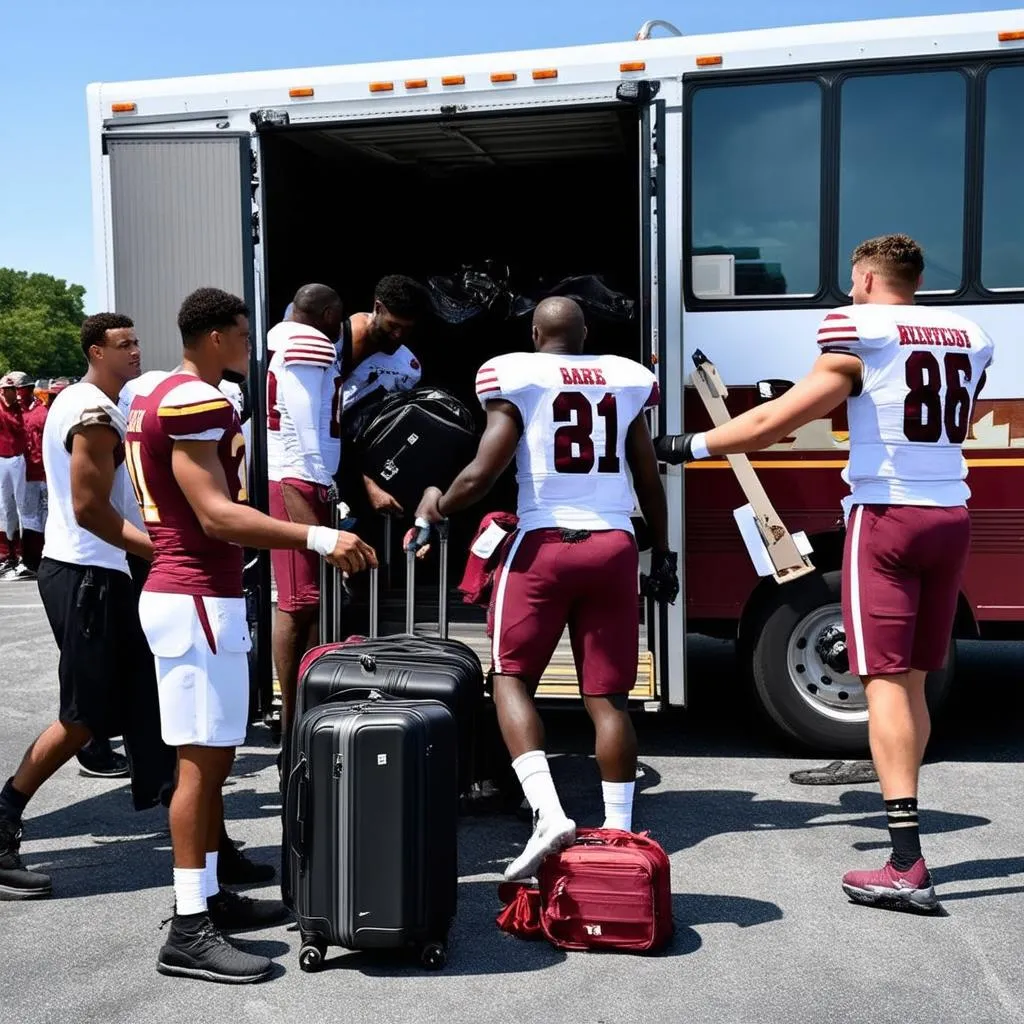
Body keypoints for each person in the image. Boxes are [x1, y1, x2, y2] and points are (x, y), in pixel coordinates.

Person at [653, 234, 994, 914]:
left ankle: (904, 862)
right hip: (951, 513)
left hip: (888, 515)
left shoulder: (859, 328)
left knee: (884, 682)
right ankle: (907, 840)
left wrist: (685, 445)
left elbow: (778, 420)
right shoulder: (969, 331)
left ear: (866, 278)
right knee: (916, 679)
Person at [129, 286, 376, 983]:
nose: (250, 343)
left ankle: (206, 897)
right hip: (195, 594)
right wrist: (316, 535)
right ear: (214, 337)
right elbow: (216, 516)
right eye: (241, 332)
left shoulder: (160, 393)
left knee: (211, 761)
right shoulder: (192, 400)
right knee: (201, 769)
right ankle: (188, 926)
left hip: (193, 594)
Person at [410, 296, 680, 881]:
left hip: (545, 545)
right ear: (585, 334)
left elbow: (484, 471)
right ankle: (619, 829)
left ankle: (548, 813)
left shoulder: (516, 374)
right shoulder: (625, 378)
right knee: (607, 698)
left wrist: (437, 506)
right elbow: (647, 476)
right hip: (612, 544)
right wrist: (664, 549)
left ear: (535, 332)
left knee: (510, 677)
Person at [0, 314, 154, 901]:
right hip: (89, 573)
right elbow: (91, 509)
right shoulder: (91, 410)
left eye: (136, 342)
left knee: (141, 702)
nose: (135, 352)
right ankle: (5, 815)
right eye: (123, 345)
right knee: (83, 716)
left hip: (91, 571)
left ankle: (206, 842)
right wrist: (160, 550)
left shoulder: (88, 402)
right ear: (95, 351)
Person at [264, 284, 345, 738]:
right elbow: (297, 412)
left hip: (301, 476)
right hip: (298, 477)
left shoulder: (287, 340)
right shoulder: (306, 341)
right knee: (298, 600)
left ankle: (305, 709)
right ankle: (294, 712)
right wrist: (315, 475)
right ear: (328, 313)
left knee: (310, 600)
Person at [339, 274, 431, 517]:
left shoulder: (407, 367)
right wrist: (367, 484)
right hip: (320, 461)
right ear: (377, 307)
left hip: (359, 466)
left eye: (407, 328)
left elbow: (386, 434)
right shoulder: (337, 342)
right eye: (393, 325)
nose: (398, 335)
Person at [16, 379, 50, 578]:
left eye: (21, 388)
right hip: (25, 472)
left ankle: (44, 559)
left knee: (45, 514)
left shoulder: (42, 413)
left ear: (29, 389)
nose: (18, 393)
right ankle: (29, 560)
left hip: (42, 472)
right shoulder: (15, 412)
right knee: (28, 516)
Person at [0, 371, 28, 579]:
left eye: (11, 390)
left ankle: (21, 554)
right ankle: (6, 554)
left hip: (18, 458)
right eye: (5, 390)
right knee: (4, 508)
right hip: (2, 458)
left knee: (21, 507)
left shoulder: (20, 409)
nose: (8, 393)